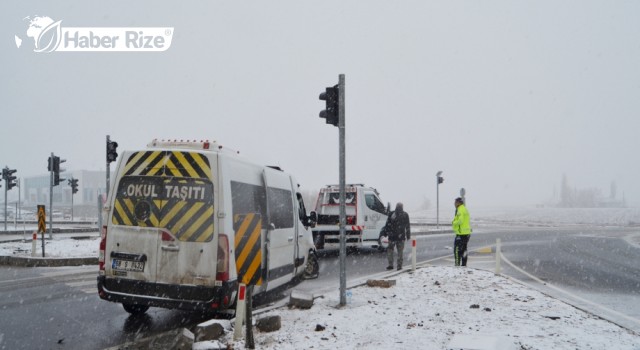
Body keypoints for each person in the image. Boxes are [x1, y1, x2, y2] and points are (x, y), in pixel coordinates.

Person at [385, 202, 411, 271]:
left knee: (390, 250)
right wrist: (408, 235)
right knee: (400, 252)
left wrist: (387, 233)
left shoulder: (391, 214)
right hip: (401, 237)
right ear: (402, 207)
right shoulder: (405, 215)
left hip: (392, 237)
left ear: (396, 207)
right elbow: (408, 226)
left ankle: (390, 265)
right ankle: (399, 266)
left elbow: (387, 225)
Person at [452, 197, 472, 266]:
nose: (454, 204)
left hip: (461, 234)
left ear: (458, 203)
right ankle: (464, 265)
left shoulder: (460, 209)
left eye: (455, 202)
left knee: (457, 250)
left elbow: (460, 220)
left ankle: (457, 265)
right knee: (464, 250)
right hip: (466, 233)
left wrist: (454, 222)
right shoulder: (465, 209)